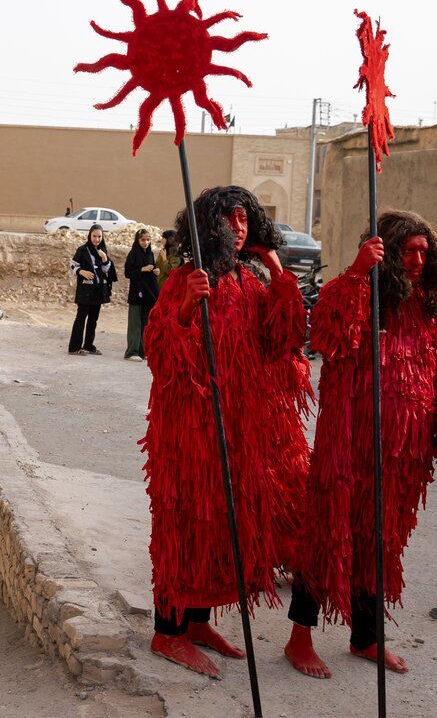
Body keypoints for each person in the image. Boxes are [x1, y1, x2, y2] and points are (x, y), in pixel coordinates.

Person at [285, 210, 437, 679]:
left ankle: (366, 638)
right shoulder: (361, 295)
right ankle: (298, 639)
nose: (416, 260)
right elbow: (327, 335)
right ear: (387, 253)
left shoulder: (430, 310)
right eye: (407, 251)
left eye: (424, 253)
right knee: (329, 535)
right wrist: (355, 274)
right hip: (349, 445)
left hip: (403, 457)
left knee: (381, 541)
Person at [141, 186, 311, 678]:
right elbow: (160, 355)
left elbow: (283, 341)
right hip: (191, 435)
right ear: (211, 227)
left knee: (218, 527)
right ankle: (166, 632)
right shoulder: (184, 280)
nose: (239, 226)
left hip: (236, 436)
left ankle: (196, 623)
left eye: (245, 218)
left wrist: (278, 271)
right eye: (229, 218)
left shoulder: (251, 283)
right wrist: (187, 309)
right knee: (188, 528)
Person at [68, 224, 117, 356]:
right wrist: (81, 271)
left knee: (93, 320)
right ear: (89, 235)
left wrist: (105, 259)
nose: (96, 239)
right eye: (94, 236)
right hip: (85, 290)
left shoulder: (102, 250)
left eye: (99, 236)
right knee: (81, 318)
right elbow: (72, 266)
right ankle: (74, 347)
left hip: (98, 290)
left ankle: (89, 345)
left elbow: (106, 270)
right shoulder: (82, 250)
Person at [123, 228, 159, 361]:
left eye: (148, 240)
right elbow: (127, 273)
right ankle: (131, 352)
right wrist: (142, 269)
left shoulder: (150, 254)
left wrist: (155, 271)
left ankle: (141, 351)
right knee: (135, 324)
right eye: (143, 240)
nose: (146, 242)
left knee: (145, 324)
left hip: (148, 293)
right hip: (137, 293)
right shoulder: (133, 254)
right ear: (137, 240)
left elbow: (152, 268)